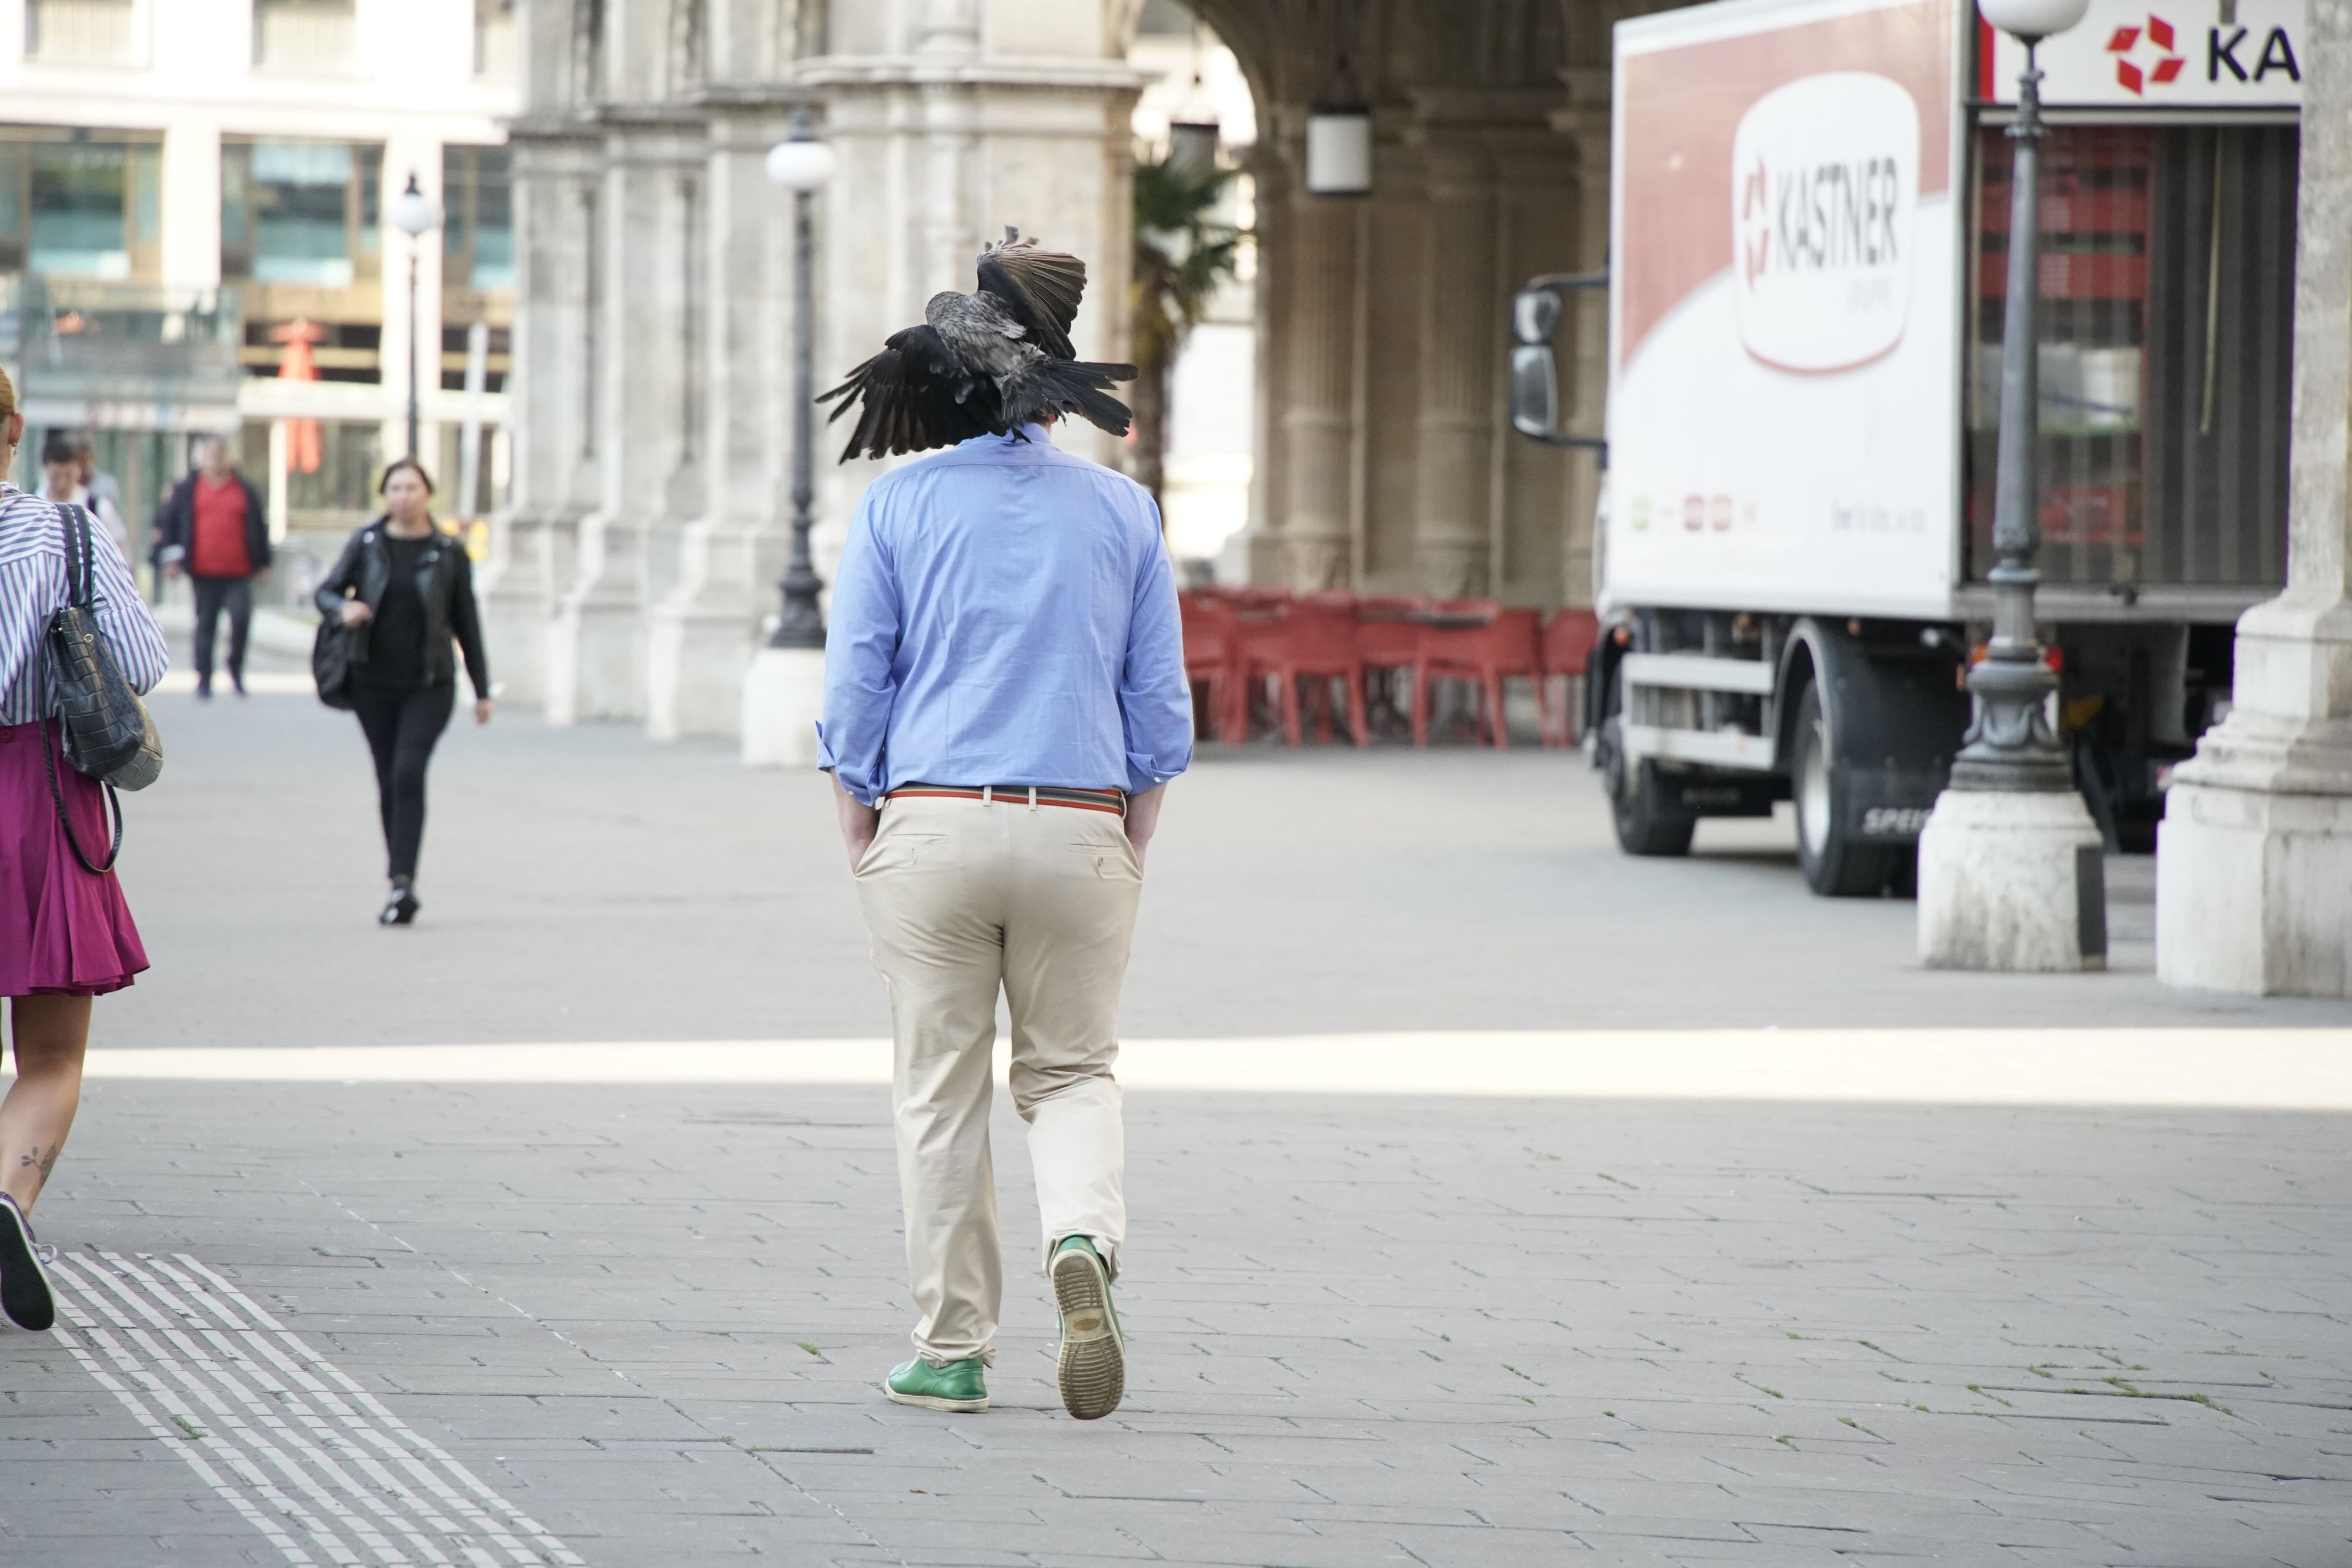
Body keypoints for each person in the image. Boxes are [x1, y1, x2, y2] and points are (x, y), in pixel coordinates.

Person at [820, 417, 1192, 1422]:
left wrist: (857, 803)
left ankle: (953, 1352)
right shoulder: (1123, 506)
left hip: (933, 816)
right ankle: (1079, 1240)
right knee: (1072, 1069)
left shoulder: (898, 500)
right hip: (1080, 819)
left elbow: (859, 671)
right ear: (1056, 397)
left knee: (939, 1088)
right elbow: (1157, 698)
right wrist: (1133, 823)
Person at [0, 367, 170, 1332]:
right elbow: (140, 664)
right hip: (40, 800)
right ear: (14, 429)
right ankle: (9, 1200)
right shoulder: (67, 532)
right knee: (52, 1053)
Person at [315, 458, 492, 926]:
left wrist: (482, 689)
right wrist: (344, 608)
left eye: (412, 487)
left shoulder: (448, 552)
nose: (403, 496)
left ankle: (403, 881)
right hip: (372, 683)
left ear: (427, 494)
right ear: (385, 494)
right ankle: (399, 881)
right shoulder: (368, 543)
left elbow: (467, 623)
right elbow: (326, 591)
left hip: (430, 684)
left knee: (409, 772)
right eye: (395, 487)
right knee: (388, 777)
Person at [154, 436, 270, 700]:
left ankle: (236, 670)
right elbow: (168, 523)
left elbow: (259, 527)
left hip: (239, 571)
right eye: (211, 454)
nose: (216, 458)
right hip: (203, 571)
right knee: (206, 624)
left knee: (241, 619)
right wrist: (171, 559)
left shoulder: (244, 488)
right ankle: (205, 678)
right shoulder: (187, 489)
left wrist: (264, 563)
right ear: (202, 459)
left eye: (220, 453)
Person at [35, 436, 128, 561]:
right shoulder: (33, 505)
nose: (62, 483)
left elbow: (117, 548)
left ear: (79, 470)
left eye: (68, 475)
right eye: (56, 476)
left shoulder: (97, 507)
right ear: (44, 469)